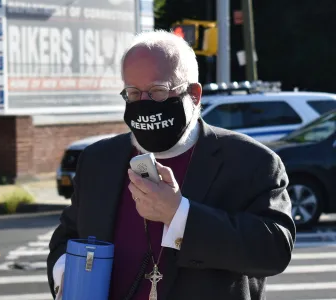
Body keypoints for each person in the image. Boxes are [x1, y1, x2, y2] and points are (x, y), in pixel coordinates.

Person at [47, 30, 296, 300]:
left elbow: (274, 251)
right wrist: (69, 280)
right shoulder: (99, 160)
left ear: (195, 95)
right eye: (133, 93)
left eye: (158, 92)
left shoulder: (251, 161)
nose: (144, 104)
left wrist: (180, 215)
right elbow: (67, 238)